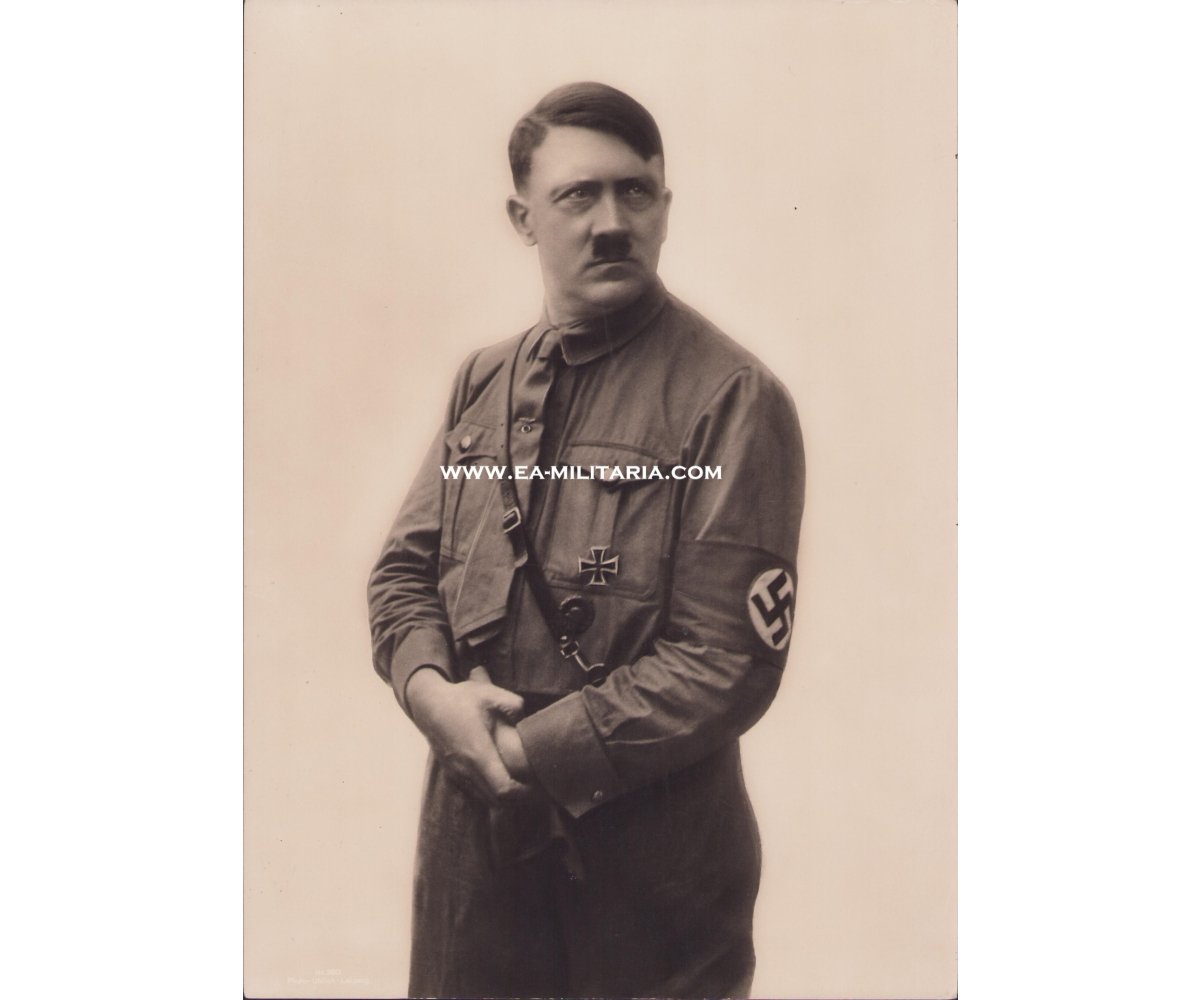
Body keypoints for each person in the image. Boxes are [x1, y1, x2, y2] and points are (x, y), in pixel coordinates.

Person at [368, 81, 805, 999]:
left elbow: (725, 661)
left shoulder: (730, 399)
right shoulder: (483, 384)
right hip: (474, 861)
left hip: (649, 876)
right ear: (523, 218)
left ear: (665, 208)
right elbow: (404, 572)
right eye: (577, 195)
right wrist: (430, 694)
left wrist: (526, 752)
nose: (611, 223)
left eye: (634, 191)